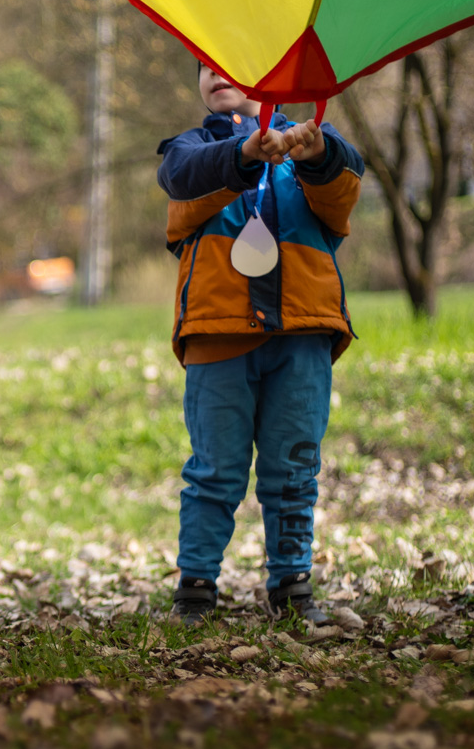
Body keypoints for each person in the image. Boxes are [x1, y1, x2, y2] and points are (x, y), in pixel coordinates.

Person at [155, 65, 365, 627]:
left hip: (302, 335)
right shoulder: (192, 150)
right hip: (217, 334)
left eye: (233, 61)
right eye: (203, 63)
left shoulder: (310, 144)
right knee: (214, 470)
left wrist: (318, 152)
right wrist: (245, 154)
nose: (215, 71)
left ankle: (293, 587)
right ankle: (196, 591)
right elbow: (181, 179)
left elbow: (344, 191)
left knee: (294, 466)